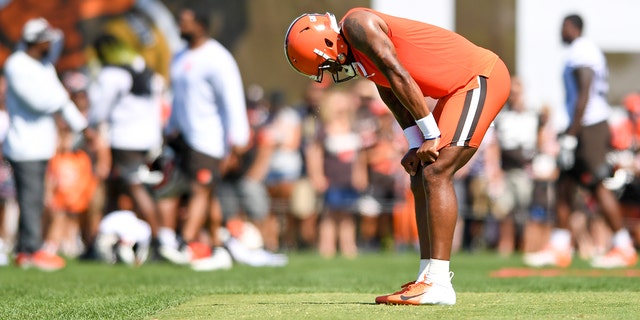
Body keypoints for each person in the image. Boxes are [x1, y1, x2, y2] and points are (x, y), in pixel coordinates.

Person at [285, 7, 510, 305]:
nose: (333, 70)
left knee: (437, 171)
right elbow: (389, 90)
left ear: (327, 44)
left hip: (479, 77)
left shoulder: (357, 24)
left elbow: (397, 73)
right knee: (421, 173)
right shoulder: (360, 51)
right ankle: (426, 277)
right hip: (455, 91)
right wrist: (414, 141)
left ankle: (439, 282)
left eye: (326, 65)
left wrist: (429, 134)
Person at [524, 14, 638, 269]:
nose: (560, 33)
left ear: (573, 27)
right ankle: (560, 246)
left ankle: (623, 246)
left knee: (597, 183)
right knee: (564, 183)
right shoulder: (580, 50)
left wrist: (572, 134)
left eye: (563, 27)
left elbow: (584, 92)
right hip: (581, 125)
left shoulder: (582, 50)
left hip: (589, 127)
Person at [3, 18, 93, 270]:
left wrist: (84, 129)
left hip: (41, 145)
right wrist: (61, 96)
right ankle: (30, 251)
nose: (51, 44)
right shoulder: (16, 64)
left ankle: (29, 248)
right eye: (48, 40)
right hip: (23, 146)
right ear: (37, 41)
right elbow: (40, 102)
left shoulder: (44, 66)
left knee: (37, 197)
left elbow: (60, 101)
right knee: (30, 198)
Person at [165, 7, 249, 271]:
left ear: (201, 26)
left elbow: (232, 100)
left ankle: (184, 243)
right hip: (186, 138)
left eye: (185, 23)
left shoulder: (217, 57)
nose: (180, 26)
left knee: (201, 189)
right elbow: (177, 98)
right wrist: (170, 128)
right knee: (208, 193)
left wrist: (237, 141)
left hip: (210, 139)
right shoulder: (179, 56)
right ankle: (218, 247)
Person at [89, 34, 164, 250]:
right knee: (117, 189)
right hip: (148, 139)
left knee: (133, 187)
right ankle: (103, 240)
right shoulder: (144, 69)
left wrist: (91, 130)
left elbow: (99, 110)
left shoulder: (111, 73)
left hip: (123, 139)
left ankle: (159, 239)